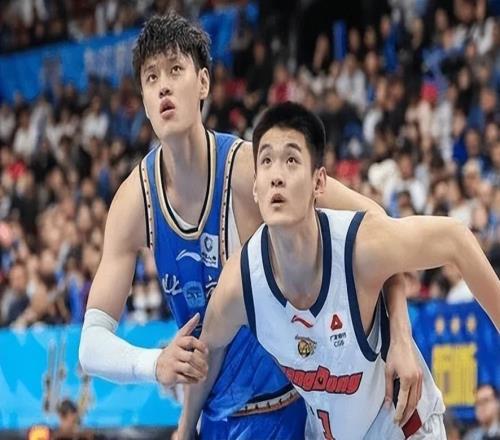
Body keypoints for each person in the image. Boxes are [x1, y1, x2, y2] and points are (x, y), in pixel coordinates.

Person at [79, 14, 422, 439]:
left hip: (293, 406)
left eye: (175, 70)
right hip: (214, 416)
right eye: (151, 78)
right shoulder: (135, 201)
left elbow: (378, 224)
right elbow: (90, 344)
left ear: (203, 83)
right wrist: (153, 364)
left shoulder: (250, 170)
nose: (163, 86)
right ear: (144, 101)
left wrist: (400, 335)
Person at [177, 102, 500, 439]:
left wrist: (401, 336)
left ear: (319, 183)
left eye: (291, 160)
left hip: (403, 429)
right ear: (255, 187)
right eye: (266, 161)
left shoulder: (358, 247)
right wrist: (184, 429)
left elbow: (456, 239)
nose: (277, 175)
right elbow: (209, 350)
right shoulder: (241, 282)